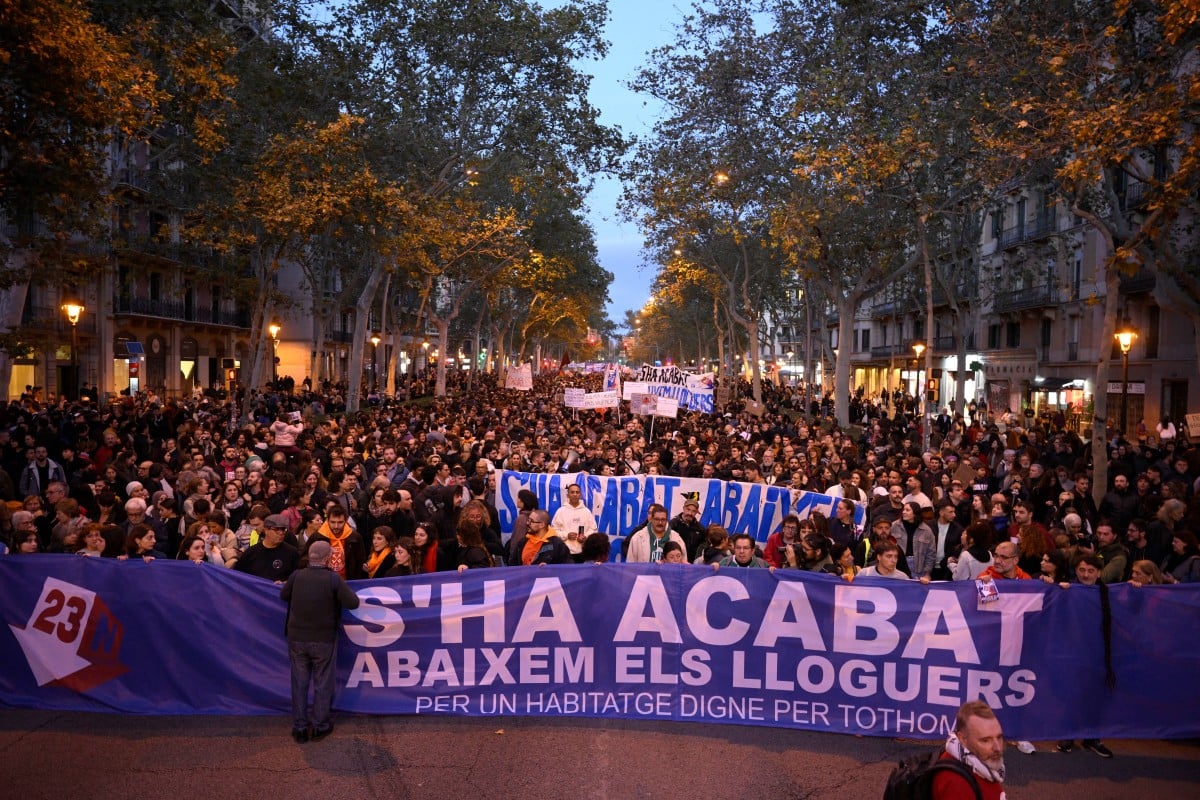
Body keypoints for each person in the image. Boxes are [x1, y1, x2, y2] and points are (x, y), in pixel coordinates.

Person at [279, 540, 360, 743]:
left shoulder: (297, 575)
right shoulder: (332, 579)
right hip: (323, 639)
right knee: (323, 682)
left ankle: (299, 726)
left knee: (299, 682)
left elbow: (283, 595)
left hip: (297, 638)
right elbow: (353, 602)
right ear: (327, 558)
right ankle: (320, 725)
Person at [932, 700, 1007, 800]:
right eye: (985, 740)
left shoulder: (981, 765)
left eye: (999, 737)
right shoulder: (957, 785)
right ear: (963, 739)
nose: (997, 748)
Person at [235, 514, 301, 583]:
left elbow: (297, 578)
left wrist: (285, 583)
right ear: (266, 530)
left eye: (283, 529)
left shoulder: (292, 553)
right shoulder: (251, 552)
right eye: (276, 529)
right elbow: (238, 575)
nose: (281, 533)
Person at [549, 483, 597, 559]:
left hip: (583, 552)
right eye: (572, 492)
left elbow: (593, 530)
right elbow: (553, 531)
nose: (575, 494)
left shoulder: (586, 512)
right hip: (564, 552)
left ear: (580, 495)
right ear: (568, 495)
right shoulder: (561, 511)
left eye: (577, 492)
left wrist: (585, 537)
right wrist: (566, 535)